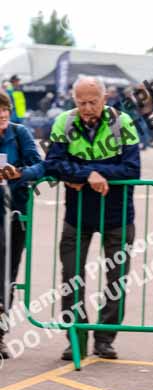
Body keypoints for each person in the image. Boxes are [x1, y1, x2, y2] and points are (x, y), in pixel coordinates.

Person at [44, 76, 141, 361]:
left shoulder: (122, 123)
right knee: (71, 277)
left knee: (116, 280)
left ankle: (104, 339)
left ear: (105, 98)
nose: (87, 107)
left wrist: (90, 172)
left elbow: (132, 169)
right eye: (81, 102)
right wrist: (88, 174)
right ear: (74, 101)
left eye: (92, 101)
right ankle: (76, 336)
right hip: (77, 216)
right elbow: (52, 163)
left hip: (118, 216)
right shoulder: (64, 122)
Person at [0, 91, 45, 358]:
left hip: (13, 215)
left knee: (6, 277)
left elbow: (41, 165)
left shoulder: (19, 134)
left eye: (4, 117)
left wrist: (20, 173)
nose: (2, 124)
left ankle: (0, 335)